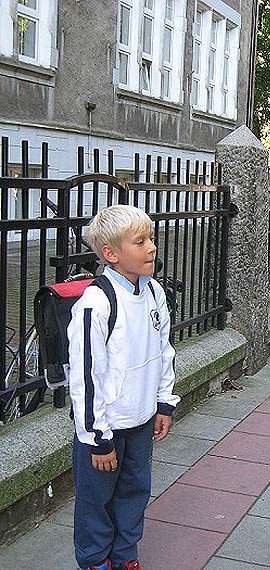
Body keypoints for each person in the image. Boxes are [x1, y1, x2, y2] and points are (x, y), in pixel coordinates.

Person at [68, 205, 180, 570]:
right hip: (105, 430)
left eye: (151, 239)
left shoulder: (154, 293)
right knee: (96, 501)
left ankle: (125, 556)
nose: (152, 248)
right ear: (111, 255)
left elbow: (164, 349)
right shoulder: (96, 304)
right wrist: (97, 437)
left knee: (134, 493)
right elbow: (85, 377)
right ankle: (95, 560)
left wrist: (164, 403)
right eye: (140, 242)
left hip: (142, 421)